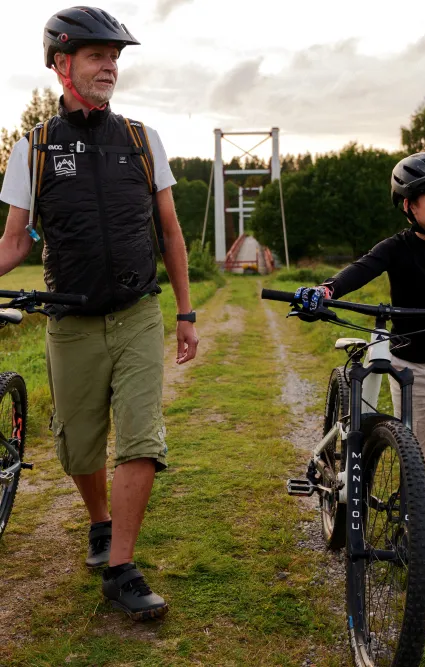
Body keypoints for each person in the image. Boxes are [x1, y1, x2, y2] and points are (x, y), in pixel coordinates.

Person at [0, 6, 198, 620]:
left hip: (138, 311)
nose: (110, 65)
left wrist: (186, 312)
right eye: (96, 55)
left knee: (140, 437)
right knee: (79, 449)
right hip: (69, 319)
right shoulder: (31, 148)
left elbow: (169, 231)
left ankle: (121, 567)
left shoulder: (142, 140)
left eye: (115, 56)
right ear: (62, 64)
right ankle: (99, 521)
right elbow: (14, 241)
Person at [297, 151, 425, 588]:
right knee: (416, 457)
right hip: (408, 365)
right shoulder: (397, 247)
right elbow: (360, 270)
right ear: (409, 205)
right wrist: (324, 290)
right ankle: (411, 532)